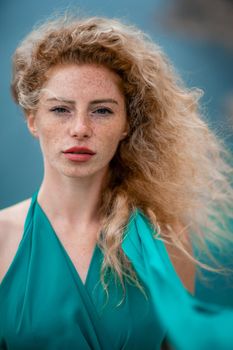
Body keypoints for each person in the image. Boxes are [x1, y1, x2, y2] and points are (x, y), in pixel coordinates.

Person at [0, 13, 233, 350]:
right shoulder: (2, 238)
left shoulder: (165, 237)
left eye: (102, 111)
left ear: (127, 123)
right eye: (61, 109)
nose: (80, 128)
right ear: (32, 119)